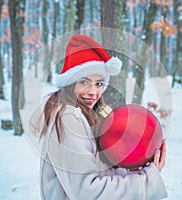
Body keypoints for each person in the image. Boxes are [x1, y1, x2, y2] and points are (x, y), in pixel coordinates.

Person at [34, 34, 167, 200]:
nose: (93, 92)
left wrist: (131, 167)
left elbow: (98, 172)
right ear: (70, 83)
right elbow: (88, 192)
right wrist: (146, 182)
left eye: (98, 83)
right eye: (84, 82)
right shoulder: (68, 118)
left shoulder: (91, 114)